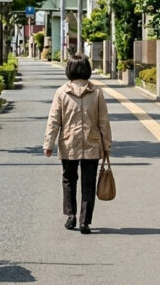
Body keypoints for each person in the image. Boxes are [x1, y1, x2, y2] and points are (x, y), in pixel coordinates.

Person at [43, 54, 112, 234]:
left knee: (68, 180)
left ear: (69, 70)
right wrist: (107, 146)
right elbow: (103, 122)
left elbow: (54, 120)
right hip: (92, 143)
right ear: (87, 70)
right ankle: (85, 222)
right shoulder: (96, 92)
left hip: (68, 144)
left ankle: (71, 215)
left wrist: (49, 144)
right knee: (89, 182)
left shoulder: (61, 92)